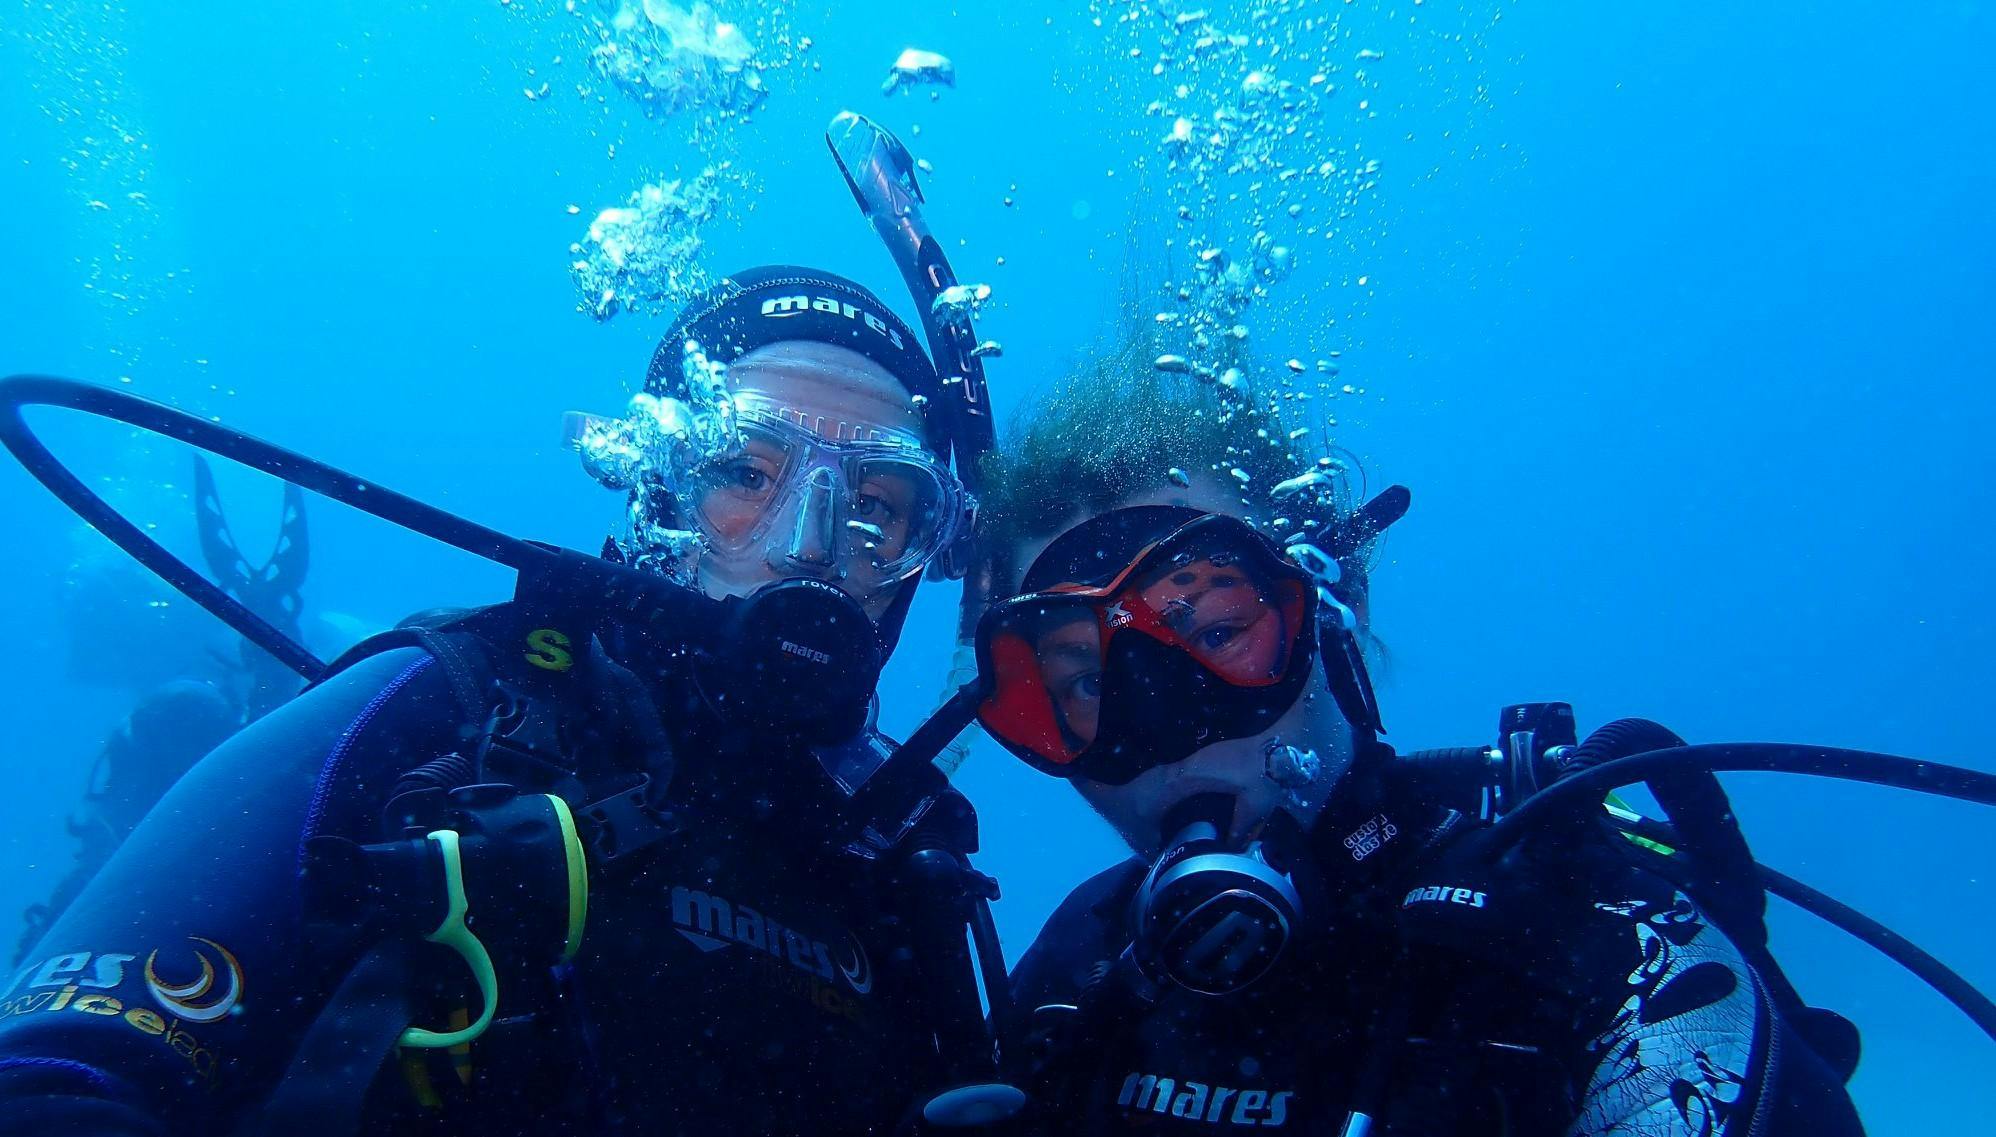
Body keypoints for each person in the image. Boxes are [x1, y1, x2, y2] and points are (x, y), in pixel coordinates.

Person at [0, 265, 997, 1137]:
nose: (808, 546)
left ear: (918, 561)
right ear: (653, 487)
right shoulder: (451, 701)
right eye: (742, 472)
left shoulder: (903, 862)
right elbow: (52, 1078)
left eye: (877, 506)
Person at [970, 323, 1868, 1135]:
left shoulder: (1585, 949)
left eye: (1216, 632)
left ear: (1332, 613)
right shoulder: (1080, 968)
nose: (1169, 736)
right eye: (1084, 681)